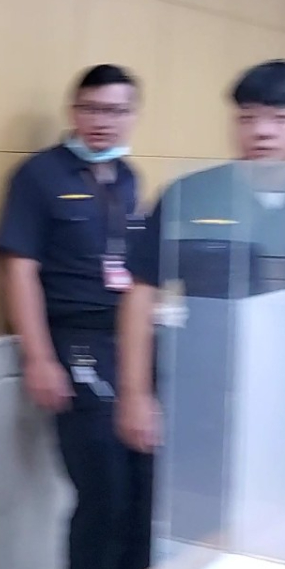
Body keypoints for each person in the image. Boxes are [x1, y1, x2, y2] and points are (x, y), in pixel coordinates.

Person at [0, 64, 151, 569]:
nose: (103, 121)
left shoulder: (129, 179)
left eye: (116, 111)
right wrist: (39, 358)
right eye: (92, 109)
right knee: (104, 492)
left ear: (132, 116)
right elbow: (19, 269)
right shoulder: (40, 175)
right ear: (74, 111)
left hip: (128, 342)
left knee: (145, 494)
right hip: (76, 343)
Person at [117, 59, 285, 455]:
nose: (261, 131)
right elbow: (141, 294)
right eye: (247, 118)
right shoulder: (189, 195)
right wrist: (135, 394)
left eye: (279, 119)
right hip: (202, 391)